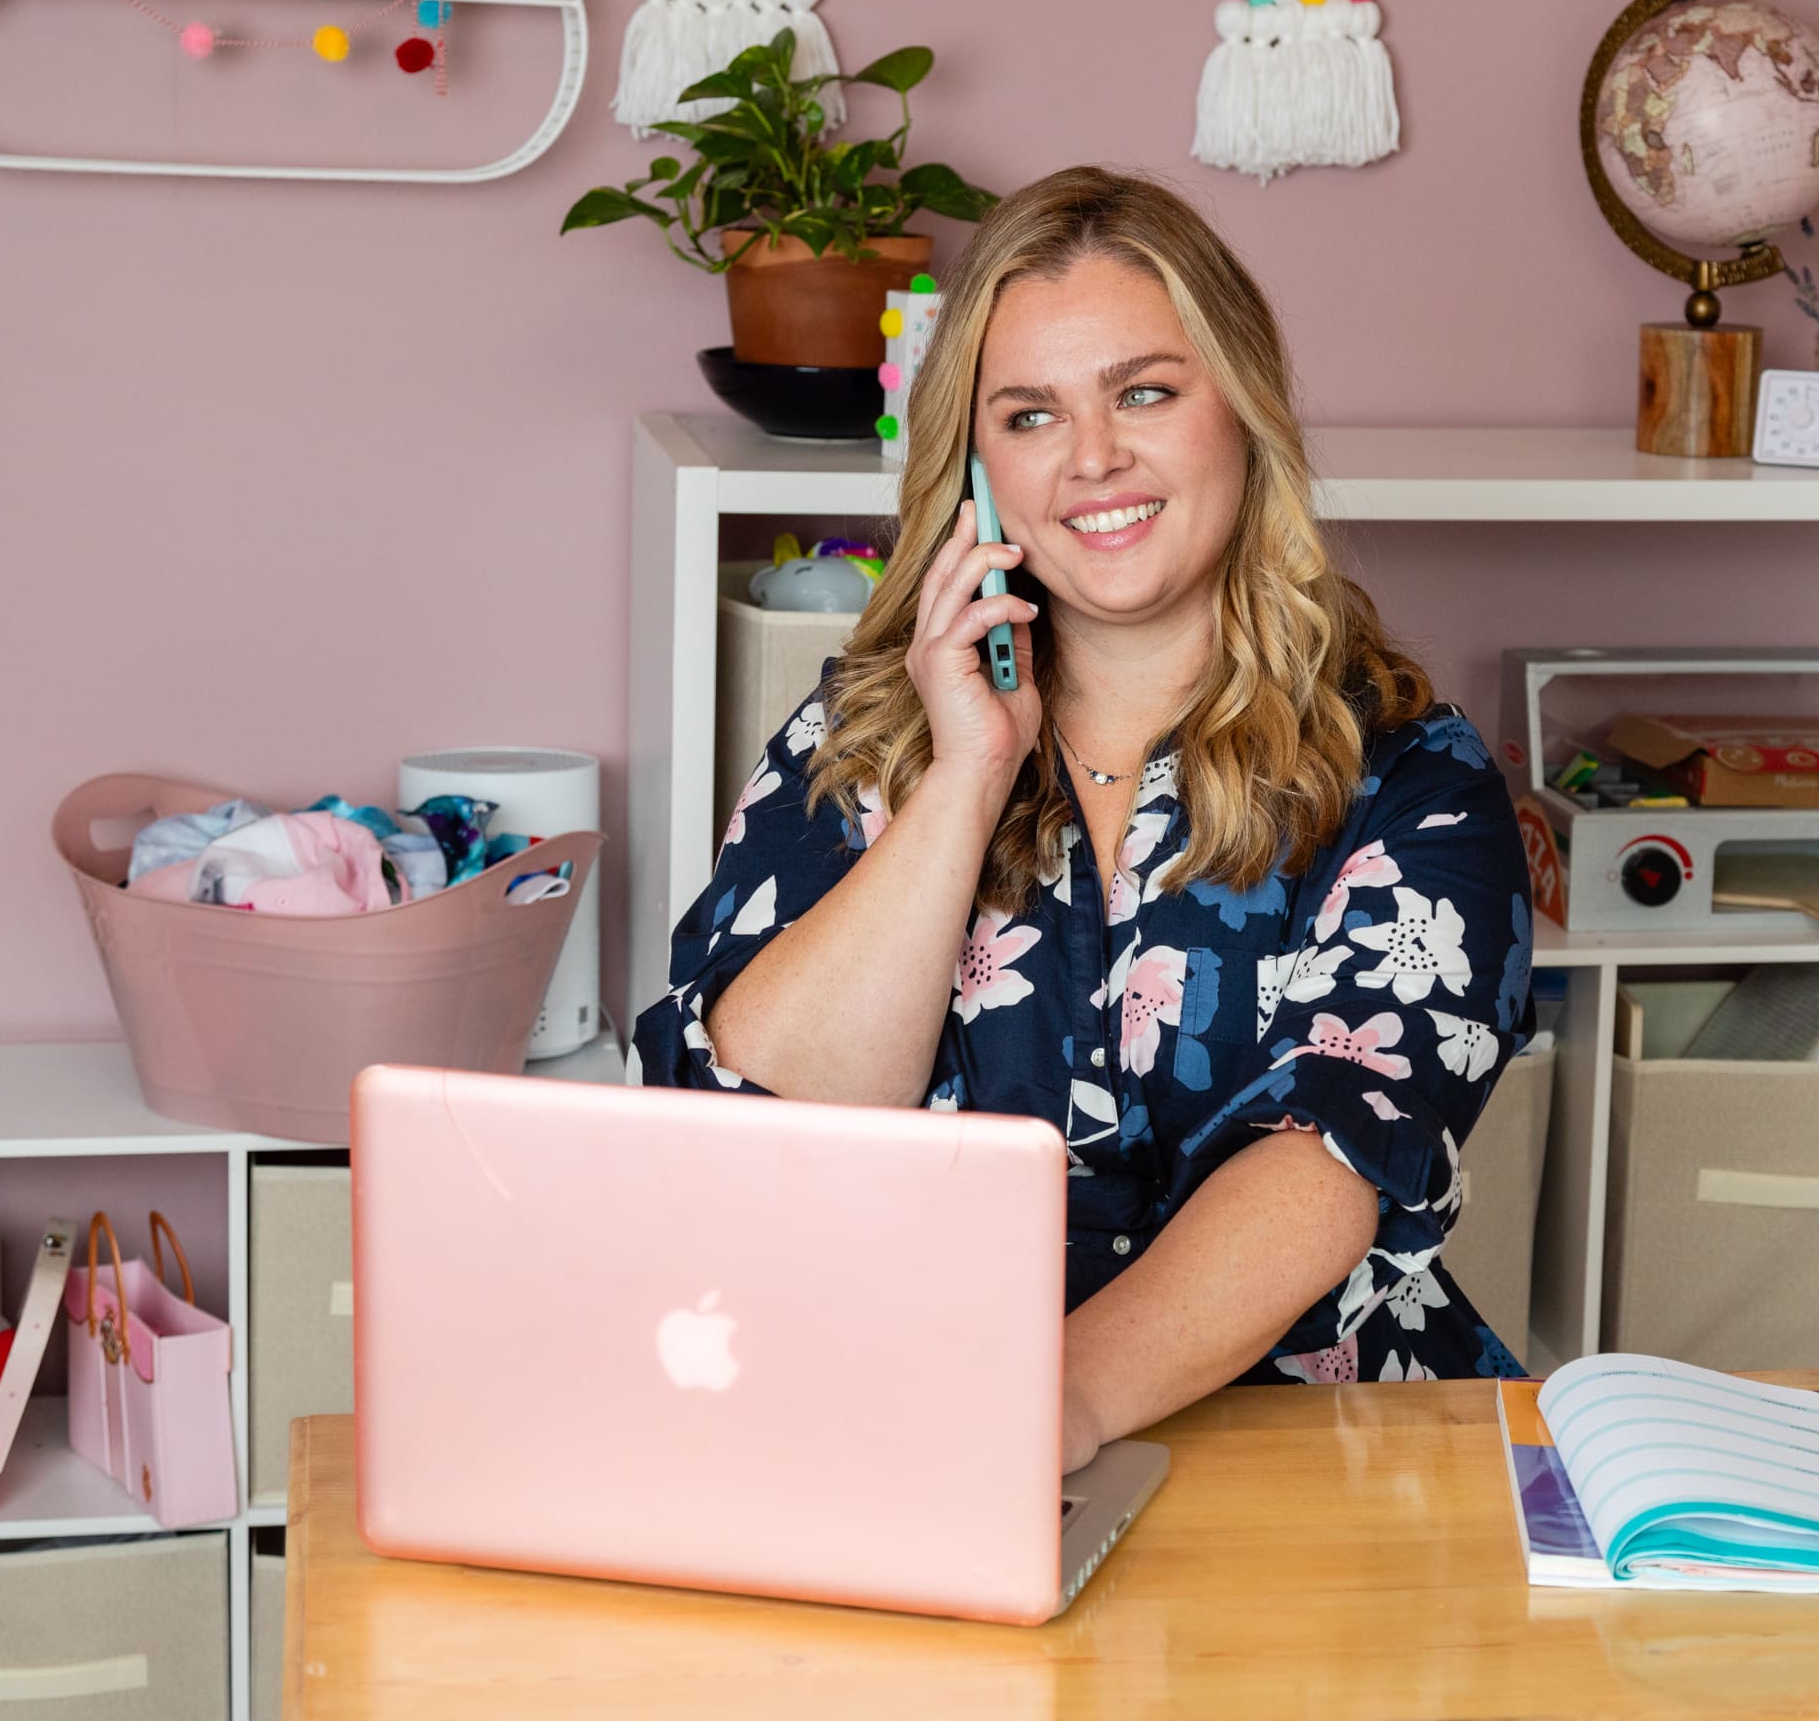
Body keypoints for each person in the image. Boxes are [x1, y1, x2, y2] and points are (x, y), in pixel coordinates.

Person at [634, 166, 1534, 1472]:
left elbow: (1335, 1149)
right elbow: (755, 1124)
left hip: (1314, 1465)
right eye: (1031, 415)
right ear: (979, 470)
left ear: (1244, 411)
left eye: (1145, 392)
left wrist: (1049, 1409)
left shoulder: (1409, 775)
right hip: (899, 1450)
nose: (1094, 457)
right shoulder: (860, 744)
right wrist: (963, 783)